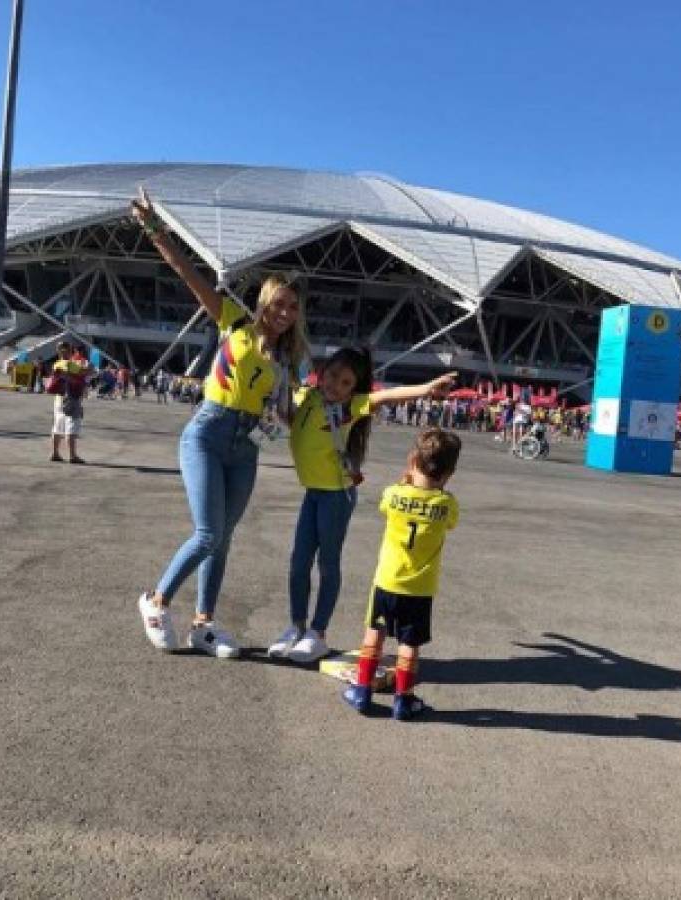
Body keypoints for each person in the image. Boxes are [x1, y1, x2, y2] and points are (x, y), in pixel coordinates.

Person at [132, 188, 308, 657]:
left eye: (292, 307)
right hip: (208, 432)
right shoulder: (236, 324)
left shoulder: (289, 361)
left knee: (223, 539)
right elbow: (188, 274)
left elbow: (288, 414)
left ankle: (203, 625)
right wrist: (155, 231)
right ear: (265, 301)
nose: (284, 313)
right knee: (208, 532)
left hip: (246, 447)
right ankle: (156, 600)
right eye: (279, 303)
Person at [267, 347, 456, 663]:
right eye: (331, 376)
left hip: (335, 496)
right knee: (299, 563)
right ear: (322, 371)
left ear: (353, 389)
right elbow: (289, 411)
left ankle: (318, 633)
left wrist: (425, 389)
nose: (334, 386)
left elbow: (386, 398)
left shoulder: (348, 408)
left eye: (344, 383)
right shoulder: (310, 398)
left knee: (327, 563)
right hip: (312, 493)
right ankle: (296, 627)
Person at [342, 427, 460, 720]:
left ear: (412, 461)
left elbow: (385, 507)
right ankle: (403, 700)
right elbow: (451, 524)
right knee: (409, 644)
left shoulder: (393, 494)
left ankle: (362, 690)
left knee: (374, 635)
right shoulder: (447, 505)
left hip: (387, 581)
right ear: (449, 473)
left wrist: (404, 482)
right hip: (419, 589)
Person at [49, 340, 91, 464]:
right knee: (72, 426)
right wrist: (89, 366)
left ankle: (55, 453)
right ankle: (73, 456)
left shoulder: (56, 364)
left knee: (57, 426)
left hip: (59, 399)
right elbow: (87, 372)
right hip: (71, 398)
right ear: (70, 351)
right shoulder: (70, 364)